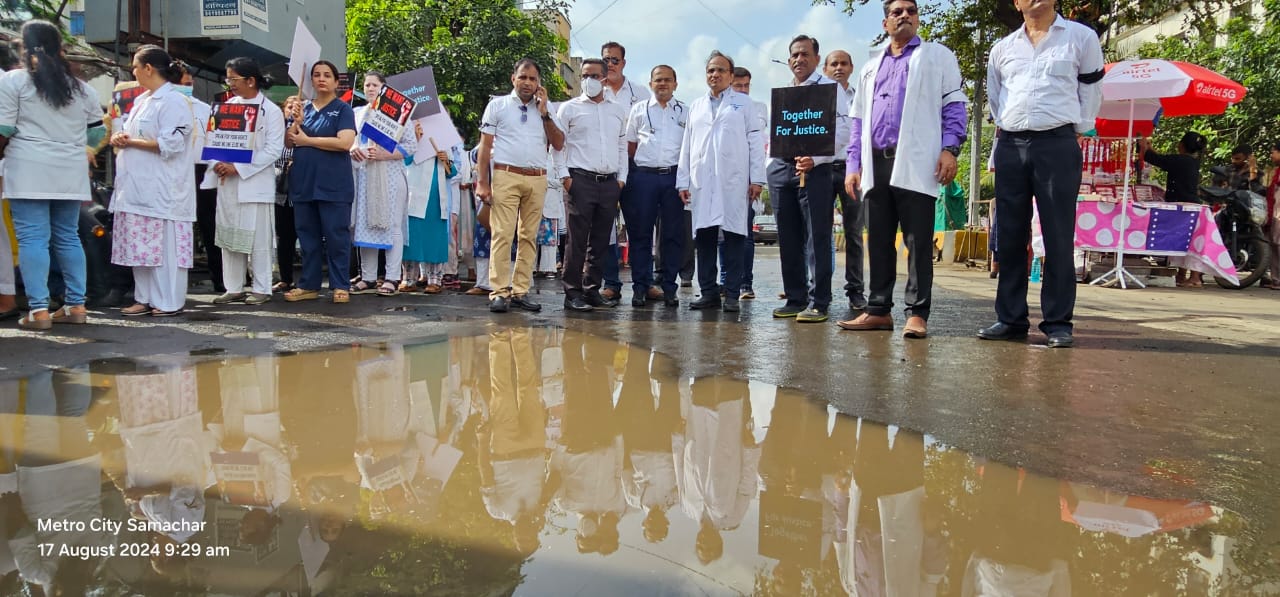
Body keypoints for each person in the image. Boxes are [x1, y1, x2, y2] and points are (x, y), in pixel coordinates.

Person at [838, 0, 968, 340]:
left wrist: (949, 149)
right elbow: (857, 121)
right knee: (878, 238)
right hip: (875, 161)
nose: (905, 16)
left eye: (911, 10)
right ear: (885, 23)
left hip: (918, 160)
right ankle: (878, 309)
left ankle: (917, 313)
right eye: (897, 12)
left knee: (918, 240)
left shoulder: (937, 56)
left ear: (917, 18)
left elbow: (954, 106)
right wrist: (854, 165)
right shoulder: (870, 66)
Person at [980, 0, 1104, 349]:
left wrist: (1078, 128)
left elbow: (1091, 88)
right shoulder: (1002, 48)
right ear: (1016, 3)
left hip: (1058, 143)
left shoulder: (1081, 37)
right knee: (1010, 236)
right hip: (1011, 145)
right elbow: (996, 97)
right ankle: (1010, 318)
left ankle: (1058, 322)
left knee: (1058, 235)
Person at [0, 20, 105, 330]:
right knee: (68, 237)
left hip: (29, 168)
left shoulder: (14, 81)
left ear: (24, 46)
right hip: (70, 171)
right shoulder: (82, 89)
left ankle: (38, 311)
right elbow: (97, 133)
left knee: (33, 238)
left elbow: (4, 129)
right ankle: (76, 306)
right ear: (60, 48)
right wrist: (75, 148)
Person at [110, 44, 198, 318]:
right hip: (136, 186)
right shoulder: (141, 100)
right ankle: (143, 297)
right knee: (140, 245)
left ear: (148, 68)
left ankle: (169, 300)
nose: (133, 71)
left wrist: (130, 142)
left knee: (165, 248)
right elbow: (128, 131)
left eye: (135, 66)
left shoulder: (173, 101)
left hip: (164, 189)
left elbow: (171, 143)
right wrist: (120, 138)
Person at [676, 51, 766, 313]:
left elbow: (755, 143)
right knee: (703, 237)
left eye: (720, 71)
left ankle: (732, 294)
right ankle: (708, 293)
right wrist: (683, 182)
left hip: (734, 181)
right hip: (702, 181)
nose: (715, 75)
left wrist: (757, 178)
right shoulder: (696, 106)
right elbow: (687, 146)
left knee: (735, 236)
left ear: (730, 75)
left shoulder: (743, 104)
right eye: (710, 71)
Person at [475, 58, 565, 313]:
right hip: (506, 175)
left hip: (537, 178)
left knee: (529, 236)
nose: (527, 82)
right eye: (523, 77)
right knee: (502, 234)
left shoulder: (546, 109)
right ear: (513, 78)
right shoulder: (498, 106)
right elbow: (485, 147)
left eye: (533, 78)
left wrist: (545, 112)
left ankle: (520, 291)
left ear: (539, 83)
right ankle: (499, 292)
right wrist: (483, 182)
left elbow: (558, 143)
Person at [770, 35, 839, 323]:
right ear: (789, 61)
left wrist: (818, 159)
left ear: (816, 59)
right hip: (782, 171)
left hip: (816, 170)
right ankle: (795, 297)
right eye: (794, 55)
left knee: (817, 238)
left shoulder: (829, 89)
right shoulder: (785, 92)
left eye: (805, 54)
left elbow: (844, 129)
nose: (799, 59)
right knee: (788, 238)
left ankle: (818, 301)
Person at [207, 57, 285, 305]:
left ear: (251, 80)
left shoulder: (271, 111)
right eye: (227, 79)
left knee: (258, 239)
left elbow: (273, 150)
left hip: (255, 184)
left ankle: (262, 287)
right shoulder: (228, 106)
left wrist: (238, 168)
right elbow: (214, 139)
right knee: (229, 238)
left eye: (234, 79)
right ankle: (234, 287)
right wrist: (217, 163)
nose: (230, 84)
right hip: (227, 184)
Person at [557, 58, 629, 312]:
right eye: (585, 75)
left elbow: (621, 146)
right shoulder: (569, 109)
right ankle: (572, 292)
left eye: (594, 75)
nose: (589, 80)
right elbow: (559, 146)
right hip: (579, 181)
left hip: (609, 183)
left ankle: (591, 289)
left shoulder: (618, 110)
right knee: (576, 240)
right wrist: (565, 177)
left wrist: (621, 179)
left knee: (600, 241)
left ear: (605, 77)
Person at [284, 61, 358, 304]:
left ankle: (340, 285)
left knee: (336, 237)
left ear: (337, 82)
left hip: (334, 184)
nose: (321, 79)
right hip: (304, 182)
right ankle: (309, 284)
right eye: (316, 75)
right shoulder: (302, 108)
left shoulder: (343, 109)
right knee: (307, 237)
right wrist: (293, 121)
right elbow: (289, 142)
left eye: (327, 75)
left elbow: (345, 143)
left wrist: (308, 140)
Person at [623, 65, 687, 308]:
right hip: (643, 178)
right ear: (650, 84)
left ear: (675, 84)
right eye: (658, 80)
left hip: (673, 178)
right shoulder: (638, 110)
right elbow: (630, 147)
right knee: (640, 235)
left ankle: (670, 288)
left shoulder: (684, 112)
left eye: (667, 80)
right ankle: (640, 287)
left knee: (672, 236)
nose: (663, 84)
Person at [350, 71, 417, 297]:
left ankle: (391, 277)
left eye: (374, 85)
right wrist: (356, 150)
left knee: (393, 226)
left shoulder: (398, 116)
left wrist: (384, 154)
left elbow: (411, 146)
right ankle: (367, 276)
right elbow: (351, 141)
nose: (370, 88)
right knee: (364, 225)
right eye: (367, 85)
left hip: (390, 175)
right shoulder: (357, 113)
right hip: (364, 174)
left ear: (384, 89)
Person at [599, 41, 651, 301]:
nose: (610, 65)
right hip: (605, 169)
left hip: (634, 168)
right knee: (605, 228)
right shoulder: (595, 91)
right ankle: (611, 283)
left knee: (639, 228)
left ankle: (644, 283)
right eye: (606, 59)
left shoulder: (640, 93)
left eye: (615, 60)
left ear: (624, 63)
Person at [824, 50, 869, 312]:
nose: (838, 68)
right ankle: (818, 289)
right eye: (833, 64)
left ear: (852, 67)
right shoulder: (819, 97)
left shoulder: (861, 97)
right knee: (818, 233)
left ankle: (855, 291)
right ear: (825, 68)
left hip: (854, 172)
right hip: (822, 169)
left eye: (843, 63)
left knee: (853, 232)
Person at [719, 67, 768, 301]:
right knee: (721, 232)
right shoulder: (720, 107)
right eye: (738, 85)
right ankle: (725, 281)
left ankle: (744, 283)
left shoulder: (757, 108)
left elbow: (758, 146)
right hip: (722, 181)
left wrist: (757, 179)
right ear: (729, 84)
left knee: (744, 233)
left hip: (747, 181)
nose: (743, 90)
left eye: (747, 85)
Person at [1138, 131, 1207, 288]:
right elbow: (1162, 159)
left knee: (1188, 242)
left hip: (1185, 206)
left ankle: (1195, 277)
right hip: (1189, 205)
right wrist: (1149, 147)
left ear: (1181, 145)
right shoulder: (1190, 161)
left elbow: (1156, 159)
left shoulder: (1180, 160)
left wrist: (1144, 145)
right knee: (1184, 240)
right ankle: (1182, 275)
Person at [176, 63, 221, 294]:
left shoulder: (205, 109)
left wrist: (213, 167)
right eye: (182, 84)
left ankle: (219, 279)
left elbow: (214, 139)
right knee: (177, 227)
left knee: (210, 226)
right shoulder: (166, 106)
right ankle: (175, 283)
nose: (187, 88)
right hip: (174, 171)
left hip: (203, 170)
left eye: (189, 84)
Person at [274, 96, 300, 293]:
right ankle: (285, 278)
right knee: (285, 237)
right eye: (289, 106)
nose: (292, 110)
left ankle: (308, 279)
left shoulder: (305, 128)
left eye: (296, 107)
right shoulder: (276, 132)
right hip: (281, 192)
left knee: (307, 236)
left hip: (301, 191)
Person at [1264, 141, 1280, 290]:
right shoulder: (1275, 171)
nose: (1271, 154)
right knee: (1274, 243)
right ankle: (1276, 279)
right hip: (1275, 209)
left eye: (1273, 151)